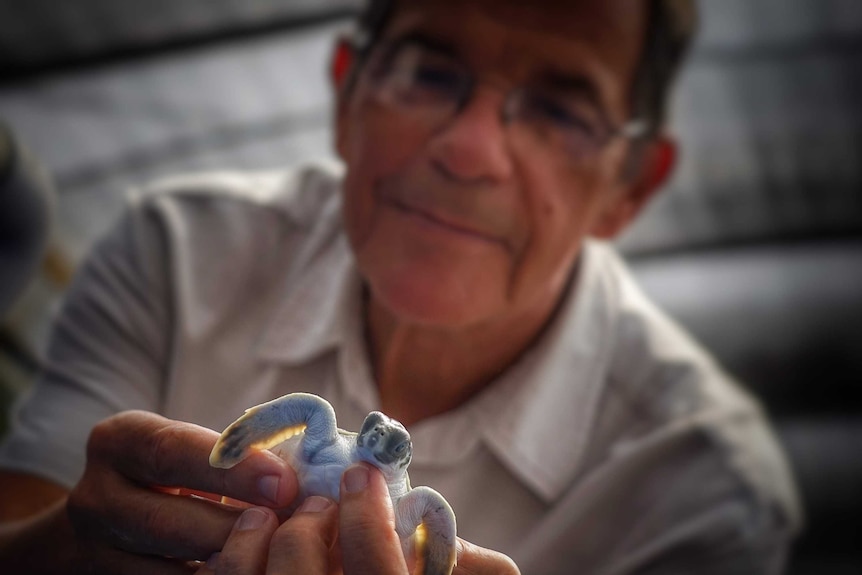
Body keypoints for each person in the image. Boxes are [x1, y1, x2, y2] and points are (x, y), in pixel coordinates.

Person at [0, 0, 802, 573]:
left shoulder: (699, 490)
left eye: (560, 111)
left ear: (630, 188)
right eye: (427, 69)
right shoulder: (178, 252)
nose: (470, 149)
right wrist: (70, 547)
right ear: (346, 97)